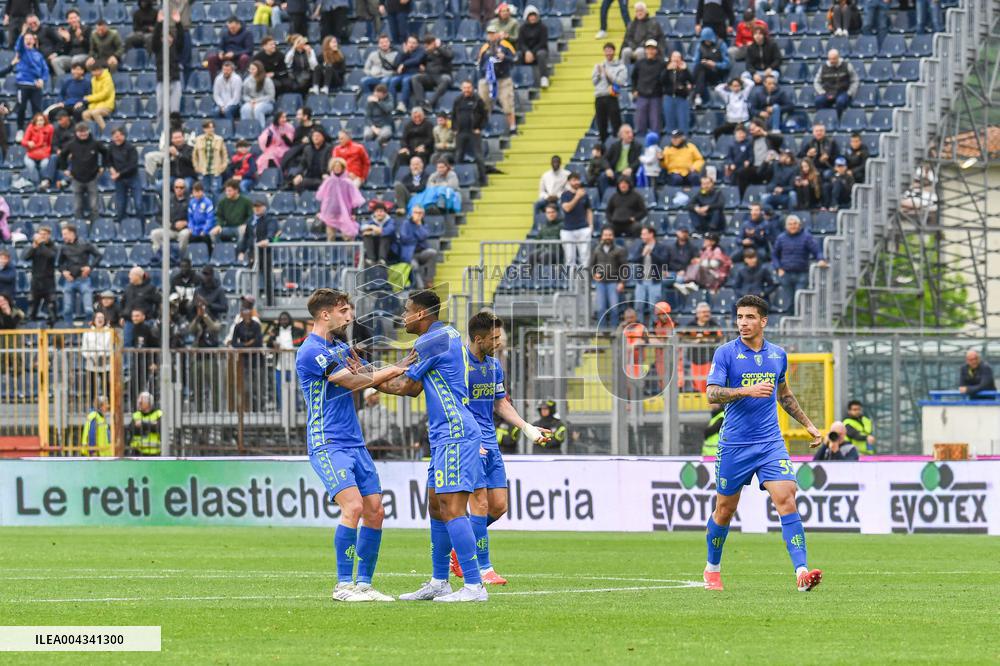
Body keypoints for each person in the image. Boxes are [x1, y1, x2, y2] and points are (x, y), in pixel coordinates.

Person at [294, 288, 411, 601]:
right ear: (325, 314)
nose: (350, 316)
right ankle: (343, 585)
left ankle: (364, 585)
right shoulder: (311, 350)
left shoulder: (341, 348)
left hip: (355, 443)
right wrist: (394, 367)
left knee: (375, 512)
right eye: (344, 310)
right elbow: (353, 382)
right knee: (354, 506)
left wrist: (412, 374)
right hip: (328, 441)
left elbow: (370, 376)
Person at [703, 294, 824, 592]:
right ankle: (712, 569)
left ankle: (801, 573)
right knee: (725, 510)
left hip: (770, 443)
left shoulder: (777, 355)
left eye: (750, 317)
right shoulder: (725, 354)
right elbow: (712, 394)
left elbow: (784, 395)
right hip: (735, 445)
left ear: (763, 321)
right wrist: (746, 390)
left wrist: (809, 426)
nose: (743, 323)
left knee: (787, 498)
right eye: (740, 317)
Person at [376, 290, 490, 602]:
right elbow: (411, 386)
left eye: (407, 311)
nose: (403, 317)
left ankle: (473, 586)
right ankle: (440, 581)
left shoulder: (430, 341)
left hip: (455, 432)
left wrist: (364, 377)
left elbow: (403, 385)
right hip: (443, 436)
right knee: (436, 506)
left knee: (452, 508)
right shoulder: (446, 335)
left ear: (422, 315)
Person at [447, 312, 550, 586]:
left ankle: (459, 548)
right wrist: (470, 439)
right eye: (494, 338)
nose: (499, 342)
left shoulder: (493, 366)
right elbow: (453, 405)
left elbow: (500, 403)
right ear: (478, 338)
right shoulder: (458, 365)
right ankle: (483, 568)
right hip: (470, 441)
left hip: (490, 440)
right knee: (479, 504)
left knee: (499, 506)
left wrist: (528, 428)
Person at [772, 215, 827, 313]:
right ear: (786, 226)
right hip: (786, 275)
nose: (792, 226)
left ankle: (800, 326)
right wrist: (778, 268)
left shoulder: (807, 237)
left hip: (802, 274)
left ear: (799, 225)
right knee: (789, 303)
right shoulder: (781, 238)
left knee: (800, 301)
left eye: (795, 224)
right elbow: (774, 255)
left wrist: (821, 259)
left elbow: (817, 251)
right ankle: (790, 326)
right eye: (790, 224)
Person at [477, 26, 517, 134]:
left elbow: (515, 58)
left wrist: (505, 57)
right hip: (488, 79)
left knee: (507, 104)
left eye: (493, 33)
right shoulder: (484, 47)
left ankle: (513, 128)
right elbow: (479, 63)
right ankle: (483, 129)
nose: (491, 35)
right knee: (484, 106)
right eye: (489, 33)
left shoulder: (505, 45)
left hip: (503, 79)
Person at [58, 224, 101, 323]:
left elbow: (98, 256)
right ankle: (69, 332)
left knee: (89, 310)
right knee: (67, 309)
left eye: (65, 234)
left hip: (84, 280)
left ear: (72, 233)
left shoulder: (85, 244)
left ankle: (89, 330)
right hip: (69, 280)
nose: (63, 236)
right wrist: (64, 271)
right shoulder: (63, 247)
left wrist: (90, 267)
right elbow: (60, 263)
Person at [316, 156, 365, 241]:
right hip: (330, 213)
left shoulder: (348, 182)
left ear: (343, 168)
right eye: (335, 166)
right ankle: (330, 254)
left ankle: (350, 254)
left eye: (339, 166)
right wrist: (320, 211)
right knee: (330, 236)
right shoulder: (328, 181)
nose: (337, 168)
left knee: (348, 235)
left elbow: (354, 198)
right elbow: (323, 197)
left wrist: (354, 213)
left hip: (345, 212)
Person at [629, 225, 668, 324]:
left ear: (651, 234)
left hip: (654, 281)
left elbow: (664, 260)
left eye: (644, 234)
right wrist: (643, 254)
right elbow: (633, 259)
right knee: (638, 306)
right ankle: (639, 328)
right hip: (641, 281)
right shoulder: (641, 246)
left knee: (654, 307)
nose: (642, 236)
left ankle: (653, 329)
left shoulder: (660, 247)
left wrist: (651, 253)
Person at [452, 80, 488, 184]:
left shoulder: (478, 100)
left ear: (472, 88)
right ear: (462, 89)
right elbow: (453, 116)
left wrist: (479, 128)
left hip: (473, 132)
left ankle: (483, 180)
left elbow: (484, 116)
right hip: (461, 132)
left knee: (478, 156)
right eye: (465, 88)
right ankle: (458, 180)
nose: (466, 90)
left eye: (468, 87)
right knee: (458, 156)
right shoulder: (457, 100)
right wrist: (454, 128)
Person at [590, 226, 627, 329]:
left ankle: (614, 330)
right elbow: (591, 265)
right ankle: (601, 331)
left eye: (610, 235)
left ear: (613, 236)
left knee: (614, 308)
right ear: (602, 236)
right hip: (600, 282)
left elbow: (624, 268)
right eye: (605, 235)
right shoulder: (596, 249)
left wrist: (622, 282)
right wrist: (594, 274)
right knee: (601, 307)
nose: (608, 237)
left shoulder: (619, 250)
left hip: (614, 282)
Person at [394, 206, 437, 289]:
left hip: (421, 253)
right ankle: (420, 287)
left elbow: (424, 236)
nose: (418, 215)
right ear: (412, 214)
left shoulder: (423, 224)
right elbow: (404, 238)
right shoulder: (406, 224)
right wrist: (417, 239)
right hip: (409, 254)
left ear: (423, 214)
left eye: (420, 213)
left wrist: (418, 226)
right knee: (415, 266)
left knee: (433, 253)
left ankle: (428, 280)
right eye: (416, 212)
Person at [592, 43, 627, 144]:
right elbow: (594, 82)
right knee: (601, 123)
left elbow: (621, 81)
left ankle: (619, 144)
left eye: (610, 50)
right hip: (599, 97)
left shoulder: (620, 66)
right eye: (606, 50)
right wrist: (598, 74)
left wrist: (607, 73)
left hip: (612, 97)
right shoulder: (598, 66)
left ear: (614, 51)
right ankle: (603, 145)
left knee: (616, 123)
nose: (608, 53)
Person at [151, 13, 186, 115]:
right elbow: (154, 38)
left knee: (174, 110)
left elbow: (181, 38)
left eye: (169, 36)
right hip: (162, 82)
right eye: (164, 37)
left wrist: (178, 23)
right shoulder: (158, 48)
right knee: (161, 109)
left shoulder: (176, 47)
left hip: (175, 81)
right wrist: (159, 23)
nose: (167, 39)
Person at [14, 30, 49, 132]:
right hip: (23, 84)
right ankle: (20, 130)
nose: (28, 40)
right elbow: (18, 46)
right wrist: (22, 34)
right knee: (21, 108)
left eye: (30, 38)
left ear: (34, 40)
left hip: (36, 86)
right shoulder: (22, 51)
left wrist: (42, 80)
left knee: (37, 110)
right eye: (26, 39)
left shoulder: (39, 55)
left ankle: (36, 130)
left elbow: (45, 70)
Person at [22, 226, 57, 325]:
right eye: (41, 235)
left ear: (49, 236)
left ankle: (52, 335)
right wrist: (33, 247)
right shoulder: (35, 247)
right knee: (32, 309)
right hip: (36, 282)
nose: (42, 237)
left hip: (49, 283)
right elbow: (25, 257)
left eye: (45, 235)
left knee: (52, 309)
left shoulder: (53, 247)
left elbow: (51, 256)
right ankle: (31, 337)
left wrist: (41, 244)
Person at [108, 126, 143, 223]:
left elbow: (133, 165)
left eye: (118, 136)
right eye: (114, 137)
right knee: (120, 205)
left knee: (138, 204)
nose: (117, 139)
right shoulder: (111, 147)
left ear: (123, 136)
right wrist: (111, 169)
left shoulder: (130, 148)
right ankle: (121, 226)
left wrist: (119, 174)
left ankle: (141, 224)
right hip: (119, 180)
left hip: (132, 178)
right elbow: (108, 161)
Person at [559, 172, 593, 268]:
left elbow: (589, 210)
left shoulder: (585, 195)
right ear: (569, 182)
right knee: (570, 259)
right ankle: (571, 282)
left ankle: (584, 282)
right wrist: (577, 197)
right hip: (567, 230)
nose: (576, 182)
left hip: (583, 228)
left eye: (578, 179)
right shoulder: (565, 195)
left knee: (585, 258)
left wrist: (591, 225)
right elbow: (567, 208)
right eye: (574, 180)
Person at [411, 35, 454, 110]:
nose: (426, 47)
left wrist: (438, 47)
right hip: (430, 76)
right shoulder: (426, 52)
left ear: (434, 43)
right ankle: (421, 103)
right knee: (415, 78)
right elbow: (418, 61)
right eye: (425, 45)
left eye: (428, 45)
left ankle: (430, 103)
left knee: (446, 79)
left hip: (442, 75)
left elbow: (450, 56)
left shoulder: (444, 47)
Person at [631, 40, 664, 136]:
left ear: (656, 51)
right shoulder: (639, 64)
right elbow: (633, 77)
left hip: (656, 97)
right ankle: (641, 146)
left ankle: (654, 147)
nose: (650, 51)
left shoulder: (661, 64)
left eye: (652, 49)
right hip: (642, 97)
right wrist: (634, 89)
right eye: (648, 49)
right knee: (640, 123)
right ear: (645, 50)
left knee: (656, 124)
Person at [813, 49, 859, 116]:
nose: (832, 61)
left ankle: (838, 120)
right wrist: (821, 92)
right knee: (818, 101)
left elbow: (855, 80)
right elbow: (816, 82)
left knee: (840, 102)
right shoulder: (823, 67)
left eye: (834, 59)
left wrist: (849, 93)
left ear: (838, 57)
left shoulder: (847, 66)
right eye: (830, 59)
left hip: (842, 92)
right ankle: (823, 119)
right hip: (827, 92)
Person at [692, 27, 729, 106]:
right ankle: (698, 95)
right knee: (701, 68)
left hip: (717, 73)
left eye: (708, 40)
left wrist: (715, 64)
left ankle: (695, 92)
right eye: (705, 40)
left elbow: (727, 64)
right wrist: (704, 63)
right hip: (703, 73)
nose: (707, 42)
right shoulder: (700, 45)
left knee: (701, 68)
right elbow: (696, 62)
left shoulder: (721, 44)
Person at [192, 119, 229, 199]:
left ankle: (216, 209)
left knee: (216, 190)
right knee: (205, 190)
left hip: (216, 169)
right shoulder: (198, 139)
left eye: (212, 127)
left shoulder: (219, 139)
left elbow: (224, 155)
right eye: (208, 128)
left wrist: (223, 166)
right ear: (204, 129)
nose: (211, 129)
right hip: (203, 170)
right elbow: (195, 155)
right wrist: (196, 166)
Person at [388, 34, 424, 112]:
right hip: (402, 74)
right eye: (410, 42)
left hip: (414, 74)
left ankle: (403, 104)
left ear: (417, 44)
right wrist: (404, 53)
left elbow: (417, 60)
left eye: (414, 43)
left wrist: (404, 64)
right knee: (392, 81)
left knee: (405, 81)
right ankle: (392, 105)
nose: (411, 45)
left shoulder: (420, 51)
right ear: (406, 43)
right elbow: (396, 64)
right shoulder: (402, 51)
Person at [662, 51, 694, 136]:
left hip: (681, 99)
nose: (676, 59)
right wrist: (667, 70)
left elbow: (692, 81)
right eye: (674, 57)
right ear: (670, 58)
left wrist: (685, 70)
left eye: (678, 57)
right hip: (668, 98)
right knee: (670, 123)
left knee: (683, 123)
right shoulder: (666, 68)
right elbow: (661, 81)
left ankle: (684, 143)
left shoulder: (684, 70)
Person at [519, 5, 550, 88]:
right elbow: (521, 43)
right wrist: (527, 52)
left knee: (541, 54)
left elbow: (543, 42)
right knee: (517, 56)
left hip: (539, 50)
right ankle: (520, 78)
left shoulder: (543, 28)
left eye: (534, 16)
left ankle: (544, 78)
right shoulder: (522, 28)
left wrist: (532, 53)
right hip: (527, 53)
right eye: (530, 16)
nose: (532, 18)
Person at [604, 124, 640, 190]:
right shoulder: (615, 146)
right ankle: (606, 197)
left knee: (629, 178)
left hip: (628, 173)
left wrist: (630, 168)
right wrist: (608, 169)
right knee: (603, 177)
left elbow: (638, 160)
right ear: (621, 135)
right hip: (615, 172)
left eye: (631, 132)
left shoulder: (637, 146)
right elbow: (605, 159)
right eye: (627, 133)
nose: (630, 135)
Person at [241, 61, 277, 129]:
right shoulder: (247, 80)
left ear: (259, 69)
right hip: (251, 102)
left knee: (258, 109)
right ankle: (248, 129)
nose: (251, 71)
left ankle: (261, 129)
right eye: (250, 69)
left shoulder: (267, 80)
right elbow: (244, 95)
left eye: (253, 69)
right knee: (245, 109)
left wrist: (256, 101)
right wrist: (251, 101)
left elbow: (271, 95)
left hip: (267, 102)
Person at [20, 112, 52, 185]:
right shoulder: (30, 127)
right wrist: (28, 143)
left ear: (44, 121)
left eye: (41, 120)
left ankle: (43, 181)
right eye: (38, 120)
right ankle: (35, 183)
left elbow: (50, 143)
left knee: (45, 164)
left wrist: (47, 150)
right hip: (31, 153)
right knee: (30, 164)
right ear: (35, 121)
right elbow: (23, 141)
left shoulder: (49, 128)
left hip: (44, 153)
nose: (40, 122)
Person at [127, 392, 162, 456]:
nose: (138, 404)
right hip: (137, 453)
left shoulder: (158, 414)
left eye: (141, 403)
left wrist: (143, 424)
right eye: (138, 402)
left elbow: (159, 429)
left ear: (148, 403)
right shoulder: (136, 415)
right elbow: (132, 430)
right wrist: (151, 425)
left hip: (154, 453)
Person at [186, 182, 217, 255]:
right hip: (195, 229)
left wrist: (205, 230)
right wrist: (191, 228)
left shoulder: (208, 202)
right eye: (195, 192)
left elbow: (210, 219)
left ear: (202, 192)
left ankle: (209, 257)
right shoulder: (192, 203)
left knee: (206, 238)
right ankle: (192, 258)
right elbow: (190, 218)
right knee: (191, 238)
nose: (197, 194)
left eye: (199, 191)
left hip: (205, 229)